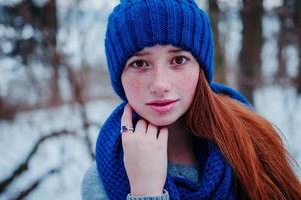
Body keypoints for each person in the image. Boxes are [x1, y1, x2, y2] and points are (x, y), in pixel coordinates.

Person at [81, 0, 301, 199]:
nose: (160, 85)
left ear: (200, 69)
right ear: (120, 77)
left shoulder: (253, 142)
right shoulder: (103, 178)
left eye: (178, 59)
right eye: (139, 64)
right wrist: (146, 193)